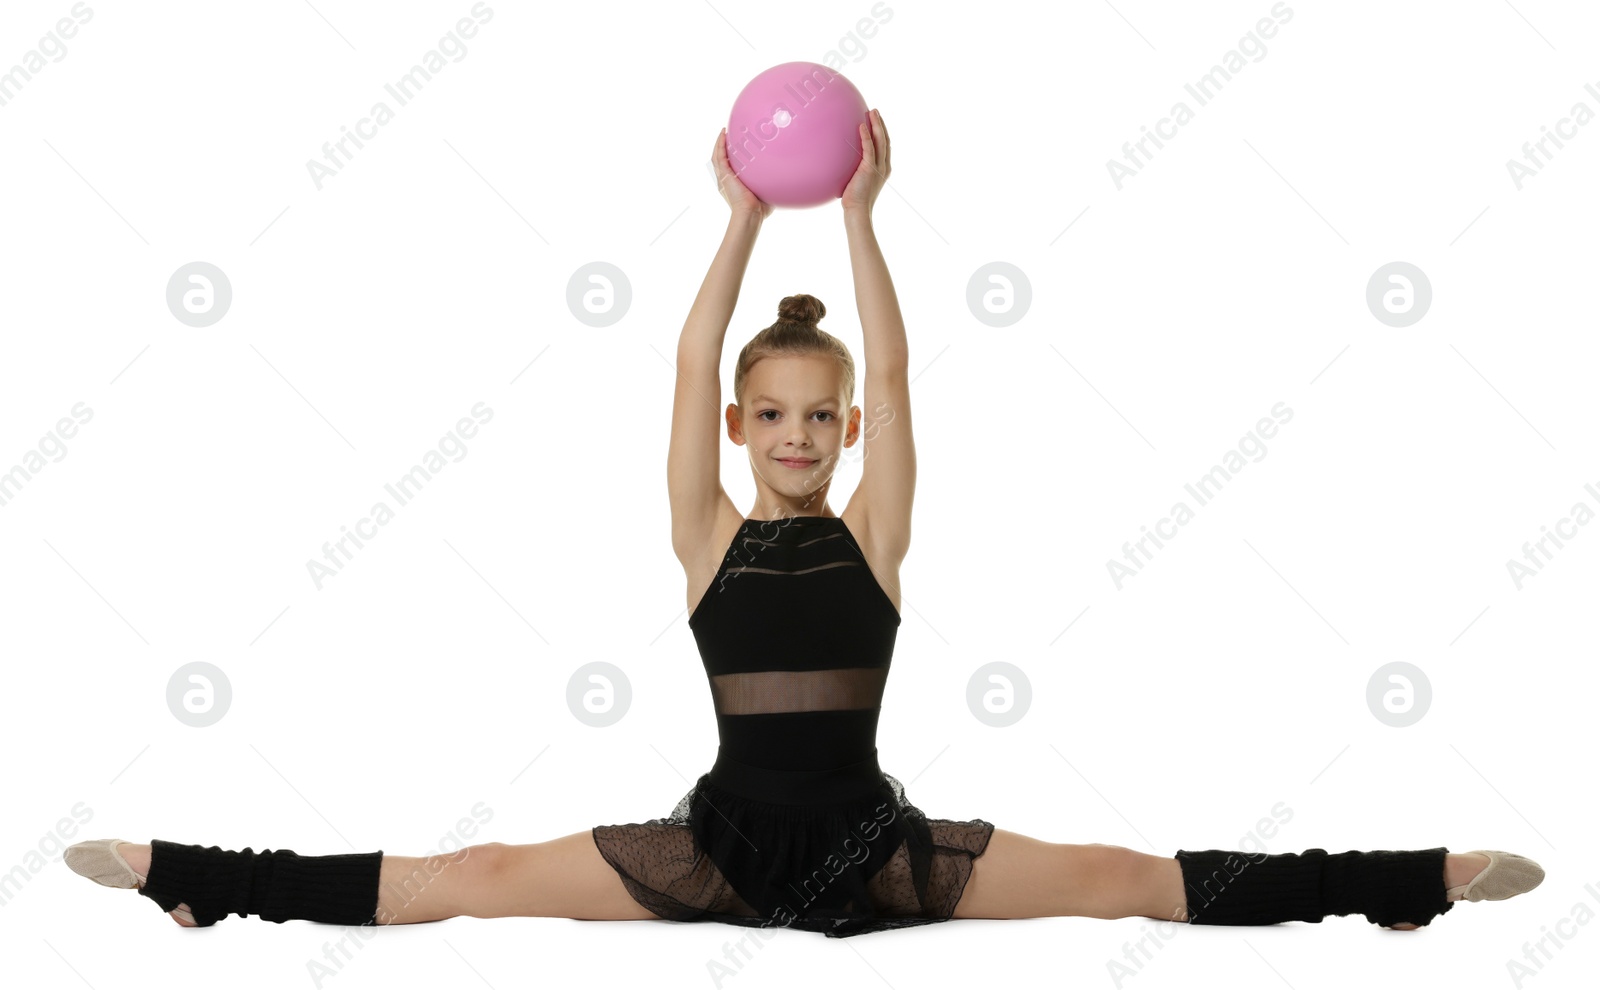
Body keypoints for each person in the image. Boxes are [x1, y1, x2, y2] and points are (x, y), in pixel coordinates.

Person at [66, 108, 1543, 937]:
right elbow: (689, 360)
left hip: (874, 843)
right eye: (770, 415)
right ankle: (202, 883)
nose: (793, 432)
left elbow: (897, 371)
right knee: (470, 882)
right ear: (738, 432)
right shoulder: (704, 536)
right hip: (715, 845)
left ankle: (1403, 887)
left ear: (843, 434)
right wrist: (731, 219)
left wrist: (860, 210)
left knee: (1122, 881)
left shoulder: (870, 540)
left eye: (816, 417)